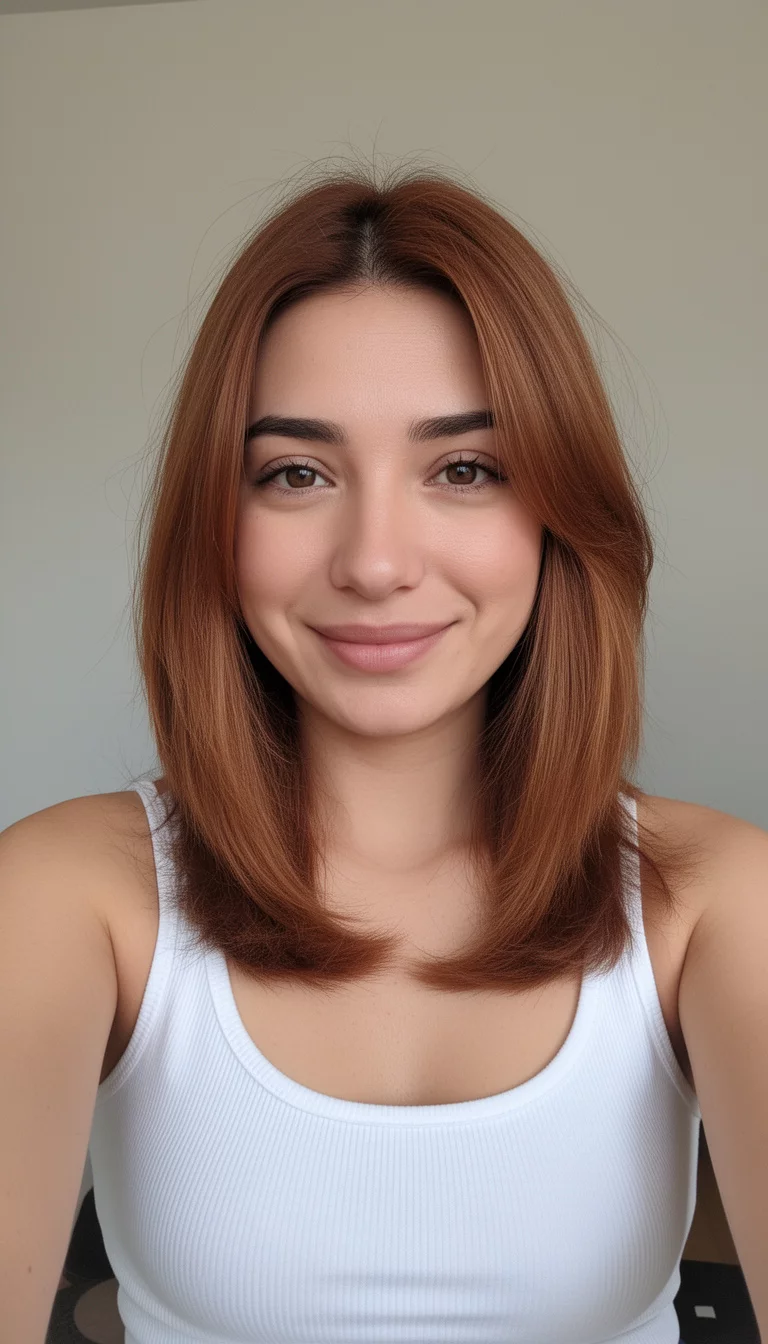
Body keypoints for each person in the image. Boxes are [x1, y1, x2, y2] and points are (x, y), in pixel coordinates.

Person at [2, 162, 766, 1344]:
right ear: (219, 520)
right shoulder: (66, 894)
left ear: (563, 512)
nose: (374, 560)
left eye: (463, 469)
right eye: (296, 473)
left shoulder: (715, 900)